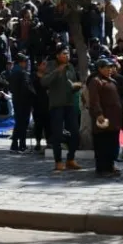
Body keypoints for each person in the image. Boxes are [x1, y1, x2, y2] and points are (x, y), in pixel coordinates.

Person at [42, 44, 82, 172]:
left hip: (70, 104)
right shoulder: (51, 65)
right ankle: (58, 161)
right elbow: (44, 82)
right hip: (56, 105)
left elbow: (75, 82)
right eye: (64, 53)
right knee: (57, 135)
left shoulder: (71, 67)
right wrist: (57, 71)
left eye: (68, 53)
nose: (67, 56)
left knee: (75, 133)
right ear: (58, 55)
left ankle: (71, 159)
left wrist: (77, 86)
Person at [87, 59, 123, 177]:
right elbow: (94, 100)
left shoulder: (112, 81)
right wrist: (99, 114)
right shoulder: (96, 81)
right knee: (102, 145)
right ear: (100, 69)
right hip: (103, 120)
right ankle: (102, 169)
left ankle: (110, 166)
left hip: (114, 120)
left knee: (112, 145)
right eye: (107, 68)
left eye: (111, 67)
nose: (110, 70)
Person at [8, 53, 35, 152]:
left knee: (19, 123)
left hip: (16, 100)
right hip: (24, 102)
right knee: (23, 123)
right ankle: (21, 145)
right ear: (21, 62)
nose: (26, 64)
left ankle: (16, 144)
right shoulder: (23, 73)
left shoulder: (12, 72)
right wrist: (33, 96)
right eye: (25, 62)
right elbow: (27, 88)